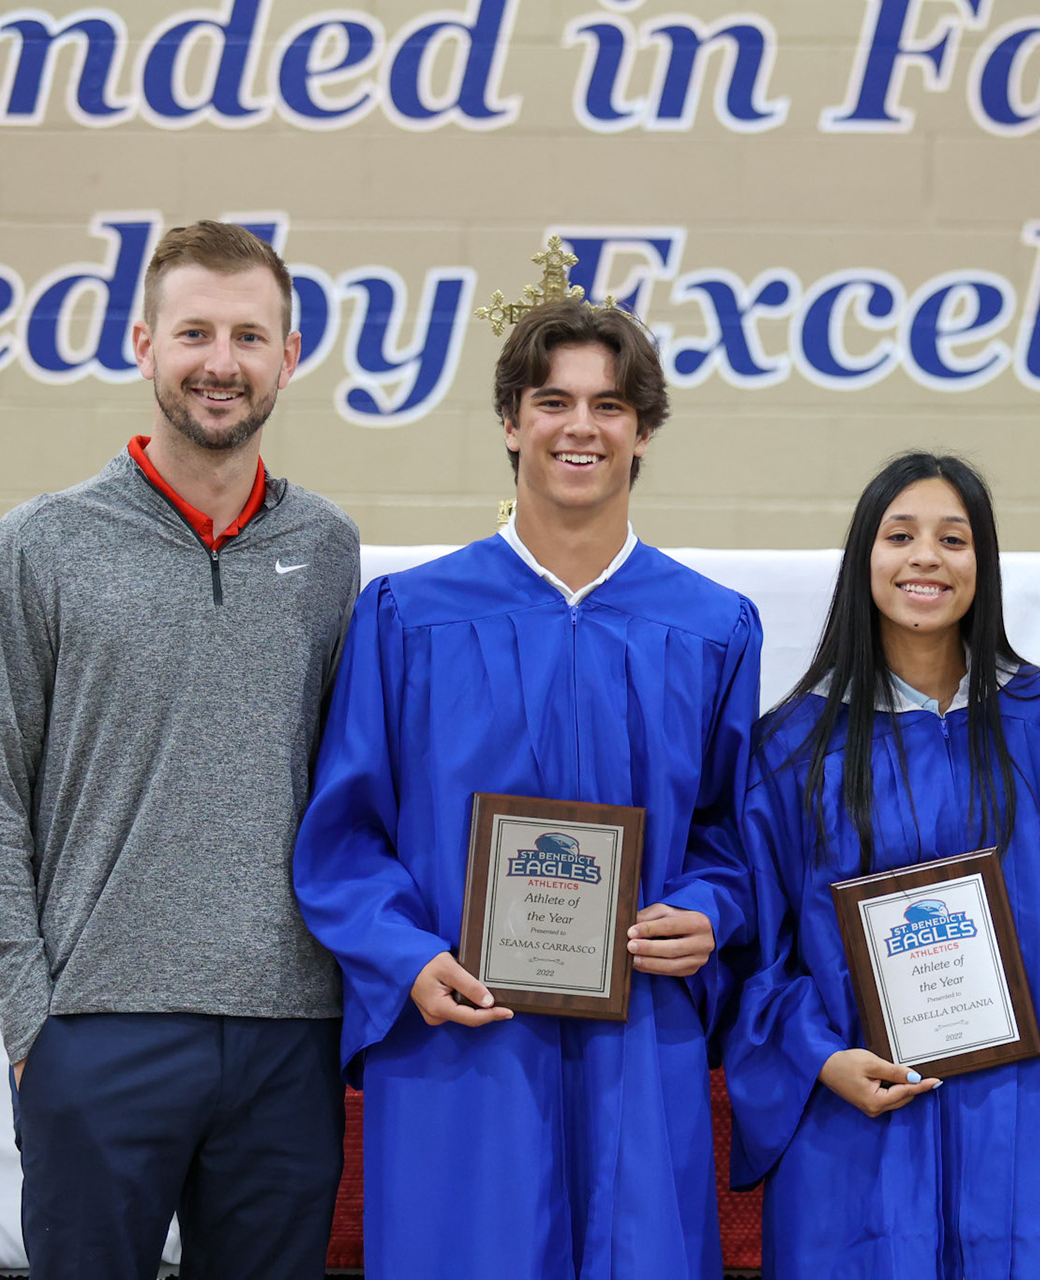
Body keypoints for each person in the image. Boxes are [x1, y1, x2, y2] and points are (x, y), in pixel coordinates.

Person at [291, 299, 761, 1278]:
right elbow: (341, 836)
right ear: (511, 421)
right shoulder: (410, 617)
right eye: (554, 401)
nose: (580, 426)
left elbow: (733, 829)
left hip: (639, 1031)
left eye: (610, 404)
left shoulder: (712, 627)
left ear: (642, 431)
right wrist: (408, 957)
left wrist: (711, 910)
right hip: (463, 1039)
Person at [0, 220, 361, 1278]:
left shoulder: (326, 549)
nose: (220, 362)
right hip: (96, 1028)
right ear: (143, 344)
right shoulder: (43, 542)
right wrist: (30, 1021)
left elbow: (347, 783)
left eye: (248, 335)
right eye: (193, 333)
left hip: (286, 1030)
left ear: (289, 355)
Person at [726, 452, 1040, 1280]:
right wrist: (821, 1057)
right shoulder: (792, 747)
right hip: (858, 1120)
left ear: (984, 564)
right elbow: (757, 949)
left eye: (953, 539)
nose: (925, 558)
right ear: (866, 559)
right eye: (900, 536)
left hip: (1021, 1120)